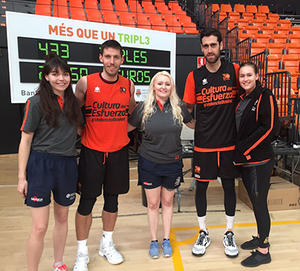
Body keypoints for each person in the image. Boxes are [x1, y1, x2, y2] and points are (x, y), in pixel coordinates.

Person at [73, 39, 135, 271]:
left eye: (116, 57)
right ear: (101, 58)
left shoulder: (127, 85)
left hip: (118, 152)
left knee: (112, 199)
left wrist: (119, 130)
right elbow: (74, 113)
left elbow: (131, 113)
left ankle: (106, 244)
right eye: (107, 56)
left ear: (121, 60)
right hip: (92, 152)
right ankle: (81, 253)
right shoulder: (85, 83)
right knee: (87, 202)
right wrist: (83, 131)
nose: (111, 61)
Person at [17, 54, 82, 271]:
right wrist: (21, 177)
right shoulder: (35, 103)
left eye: (65, 74)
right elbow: (25, 141)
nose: (61, 78)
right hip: (41, 165)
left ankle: (58, 263)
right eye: (55, 74)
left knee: (62, 218)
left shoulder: (74, 104)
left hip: (67, 165)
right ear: (46, 77)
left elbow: (80, 131)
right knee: (39, 226)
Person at [183, 28, 240, 258]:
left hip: (228, 144)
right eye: (205, 46)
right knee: (202, 188)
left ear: (220, 45)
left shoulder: (234, 71)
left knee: (229, 187)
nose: (209, 50)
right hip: (204, 144)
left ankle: (228, 232)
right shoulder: (194, 76)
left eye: (213, 45)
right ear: (202, 48)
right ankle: (203, 231)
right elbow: (186, 108)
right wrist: (193, 124)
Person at [128, 71, 195, 259]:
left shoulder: (179, 107)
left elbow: (193, 124)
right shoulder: (143, 108)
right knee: (152, 203)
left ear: (171, 87)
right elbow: (126, 127)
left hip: (172, 163)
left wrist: (216, 123)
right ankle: (153, 241)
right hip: (149, 162)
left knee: (167, 202)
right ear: (153, 87)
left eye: (167, 84)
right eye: (160, 84)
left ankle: (165, 239)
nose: (163, 87)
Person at [234, 62, 279, 267]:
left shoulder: (265, 96)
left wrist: (246, 149)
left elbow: (270, 128)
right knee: (254, 201)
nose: (245, 79)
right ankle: (260, 237)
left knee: (260, 203)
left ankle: (264, 250)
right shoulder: (242, 97)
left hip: (259, 161)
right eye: (242, 75)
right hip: (245, 160)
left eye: (249, 75)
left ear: (257, 75)